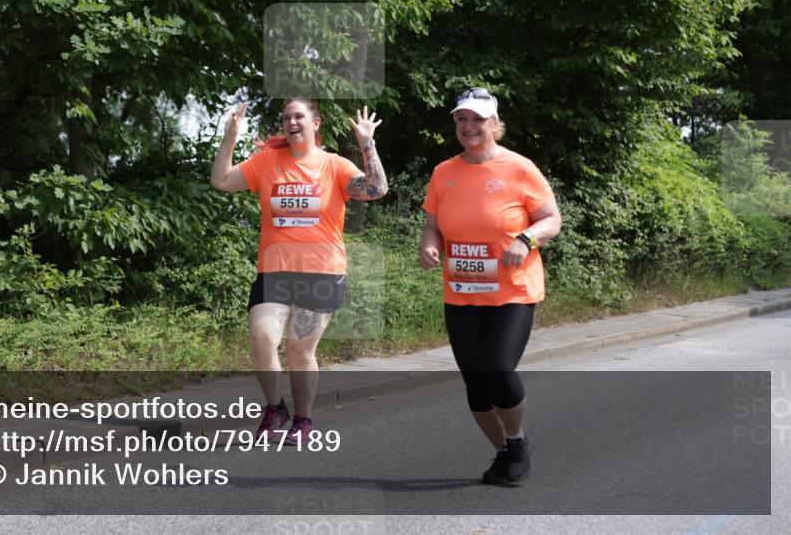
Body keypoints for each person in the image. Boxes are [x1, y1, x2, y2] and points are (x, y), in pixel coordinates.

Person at [211, 97, 387, 443]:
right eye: (286, 117)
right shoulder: (266, 162)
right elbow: (222, 180)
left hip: (321, 274)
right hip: (274, 272)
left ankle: (303, 420)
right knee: (262, 338)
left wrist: (367, 143)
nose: (291, 122)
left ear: (315, 123)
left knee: (298, 349)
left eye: (298, 116)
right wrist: (230, 138)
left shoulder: (334, 165)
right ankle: (275, 408)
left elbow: (376, 189)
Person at [419, 87, 561, 483]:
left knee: (496, 369)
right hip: (462, 293)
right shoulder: (443, 173)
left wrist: (525, 239)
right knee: (475, 383)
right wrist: (429, 247)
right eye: (462, 119)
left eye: (478, 120)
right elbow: (432, 226)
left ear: (494, 124)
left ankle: (517, 440)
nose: (469, 126)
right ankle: (504, 451)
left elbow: (551, 219)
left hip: (512, 291)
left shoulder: (519, 168)